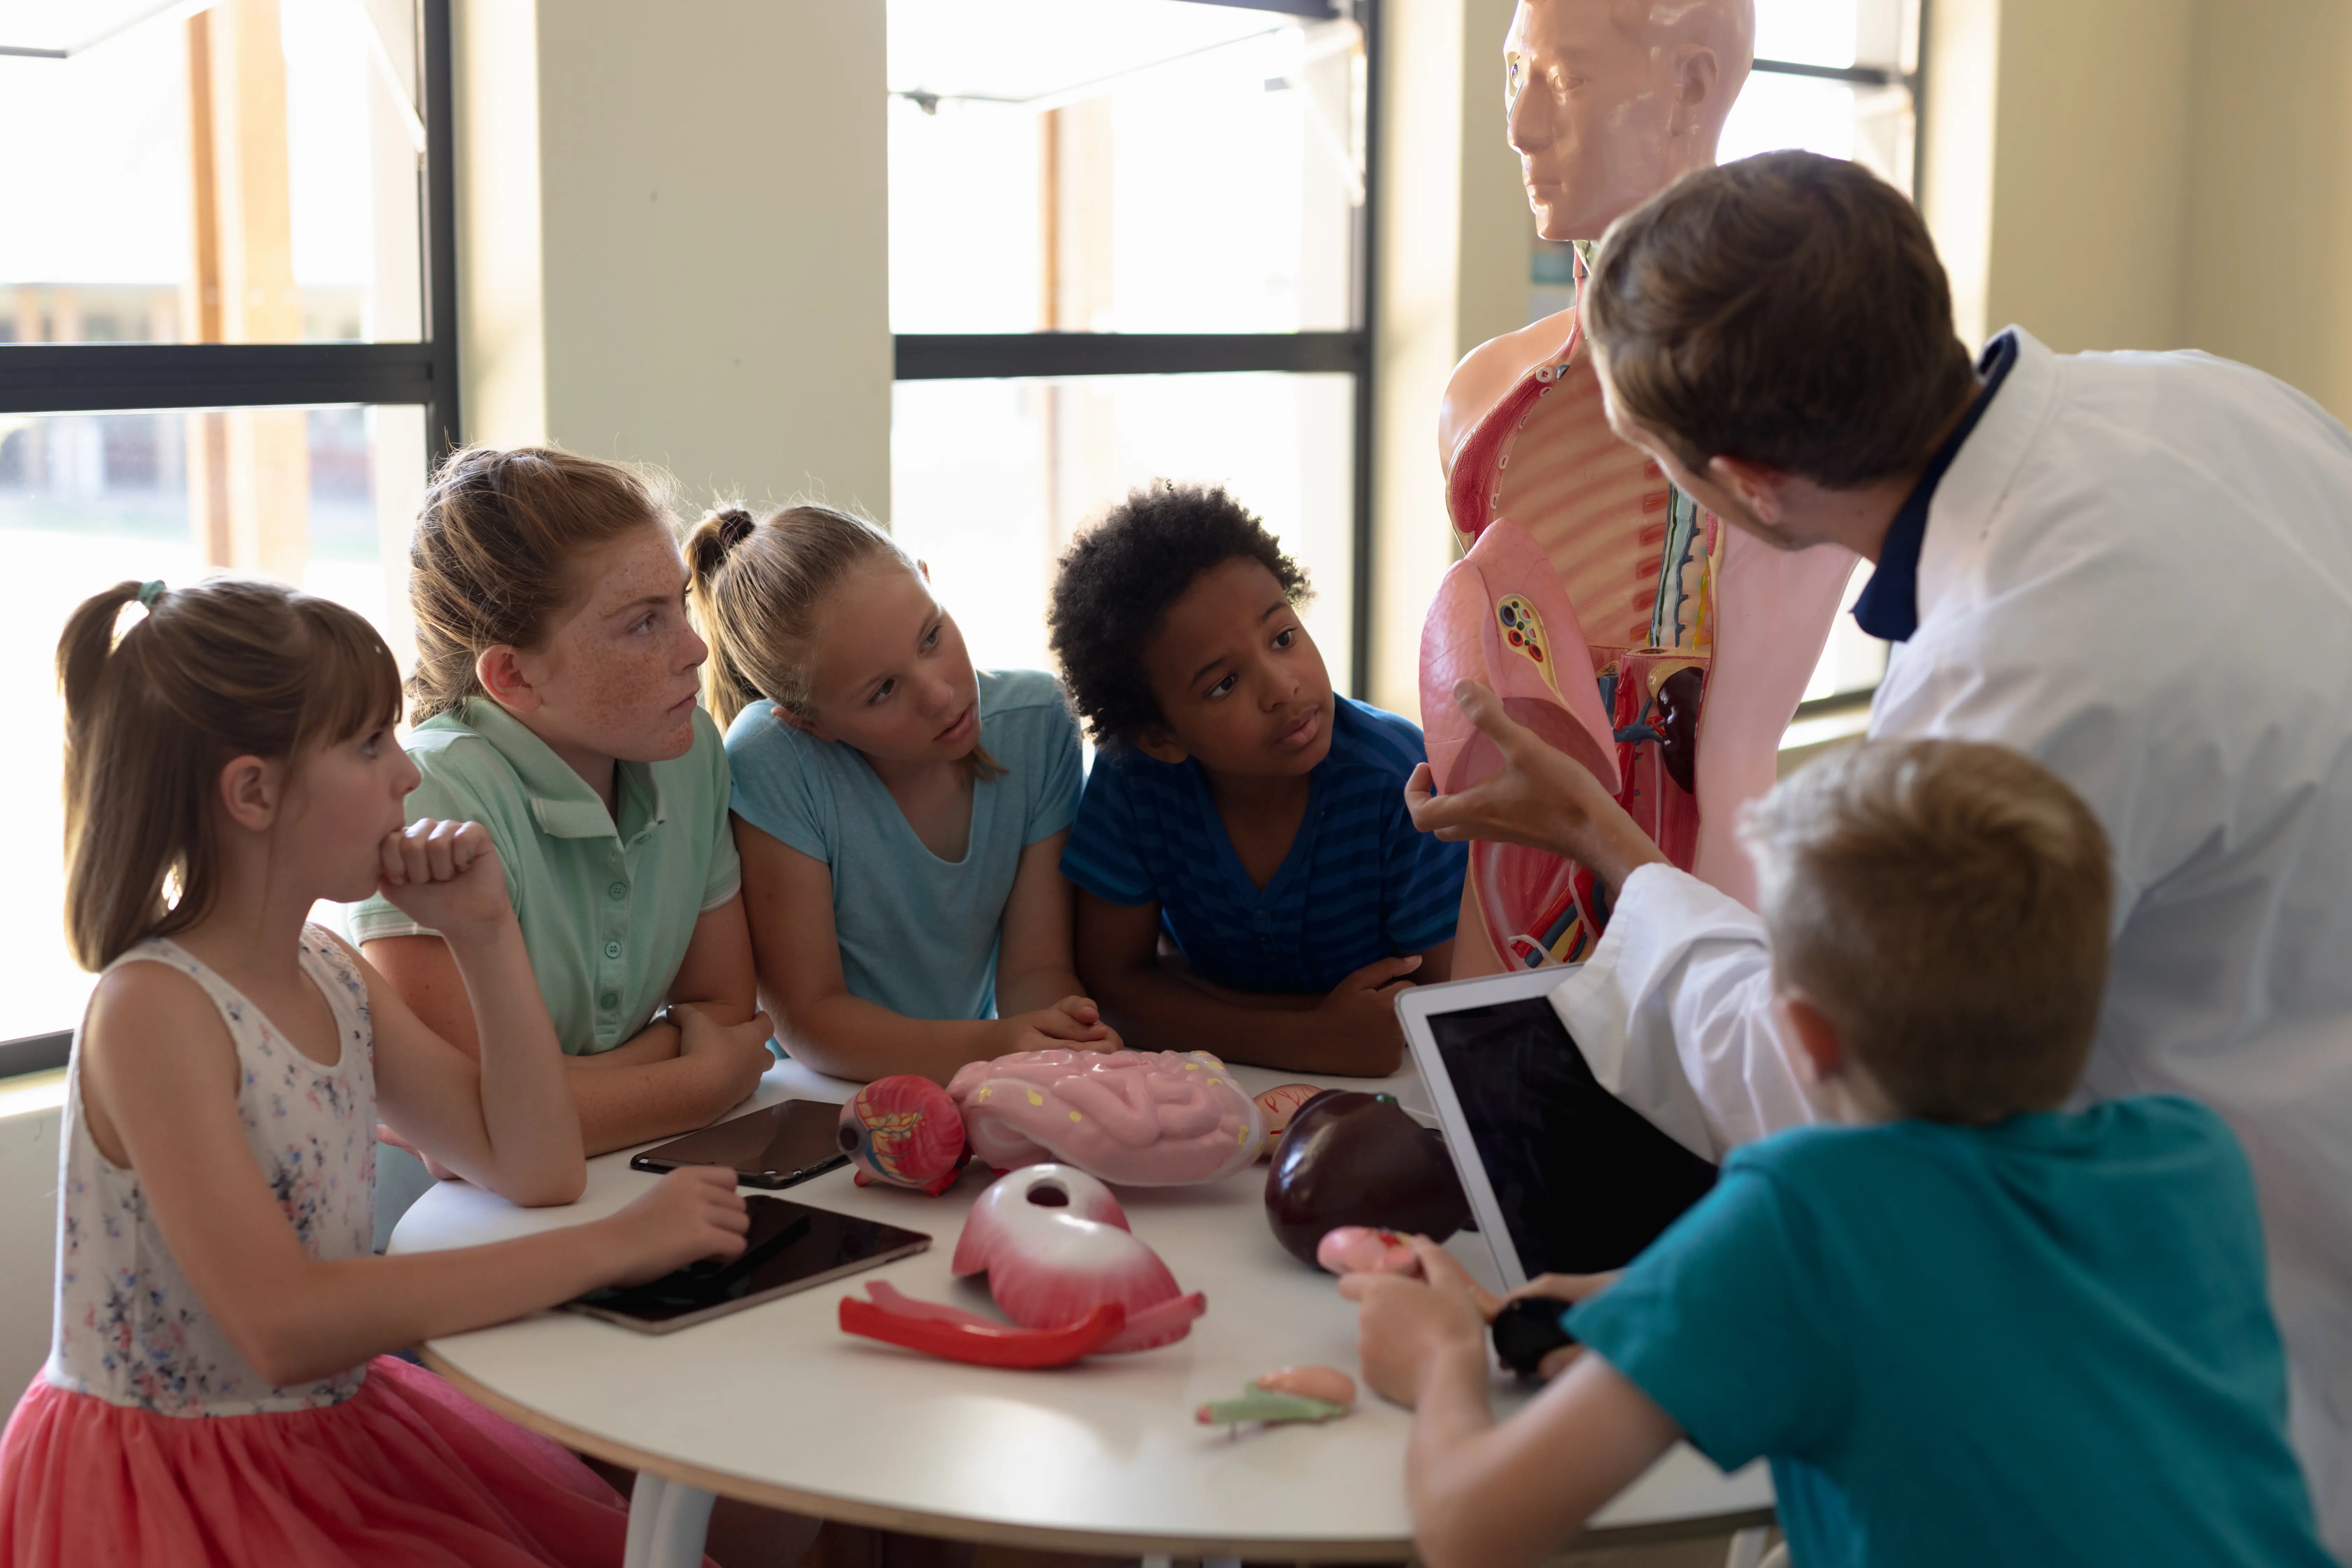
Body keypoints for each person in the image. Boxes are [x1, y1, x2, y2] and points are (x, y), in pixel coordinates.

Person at [1405, 148, 2352, 1550]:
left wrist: (1607, 845)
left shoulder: (2016, 675)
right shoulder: (2210, 398)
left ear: (1744, 483)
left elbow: (1834, 1080)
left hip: (2235, 1334)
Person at [1351, 739, 2336, 1568]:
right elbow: (1976, 1281)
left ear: (1805, 1036)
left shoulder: (1807, 1216)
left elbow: (1469, 1527)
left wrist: (1440, 1359)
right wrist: (1663, 1298)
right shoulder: (2192, 1159)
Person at [0, 578, 750, 1567]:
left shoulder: (329, 969)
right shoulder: (154, 1009)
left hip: (327, 1433)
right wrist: (614, 1246)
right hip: (178, 1479)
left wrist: (486, 935)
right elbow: (283, 1325)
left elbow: (535, 1166)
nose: (406, 773)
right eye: (367, 746)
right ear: (253, 793)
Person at [352, 446, 776, 1166]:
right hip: (456, 1214)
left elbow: (726, 1014)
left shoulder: (689, 749)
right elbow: (465, 1134)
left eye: (677, 604)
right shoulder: (430, 791)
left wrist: (558, 1090)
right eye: (643, 624)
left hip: (628, 1173)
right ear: (514, 676)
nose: (696, 649)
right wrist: (702, 1082)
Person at [1052, 483, 1465, 1077]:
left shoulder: (1402, 783)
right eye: (1224, 684)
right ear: (1158, 736)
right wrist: (1307, 1036)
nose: (1282, 688)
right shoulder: (1134, 782)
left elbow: (1440, 1008)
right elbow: (1113, 989)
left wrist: (1196, 997)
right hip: (1218, 1086)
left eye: (1283, 638)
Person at [695, 503, 1116, 1084]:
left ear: (927, 579)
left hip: (970, 1077)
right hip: (822, 1093)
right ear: (809, 722)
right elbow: (810, 1017)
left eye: (931, 636)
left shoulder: (1039, 720)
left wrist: (1066, 1038)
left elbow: (1035, 970)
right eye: (884, 690)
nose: (940, 695)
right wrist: (998, 1044)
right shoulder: (771, 758)